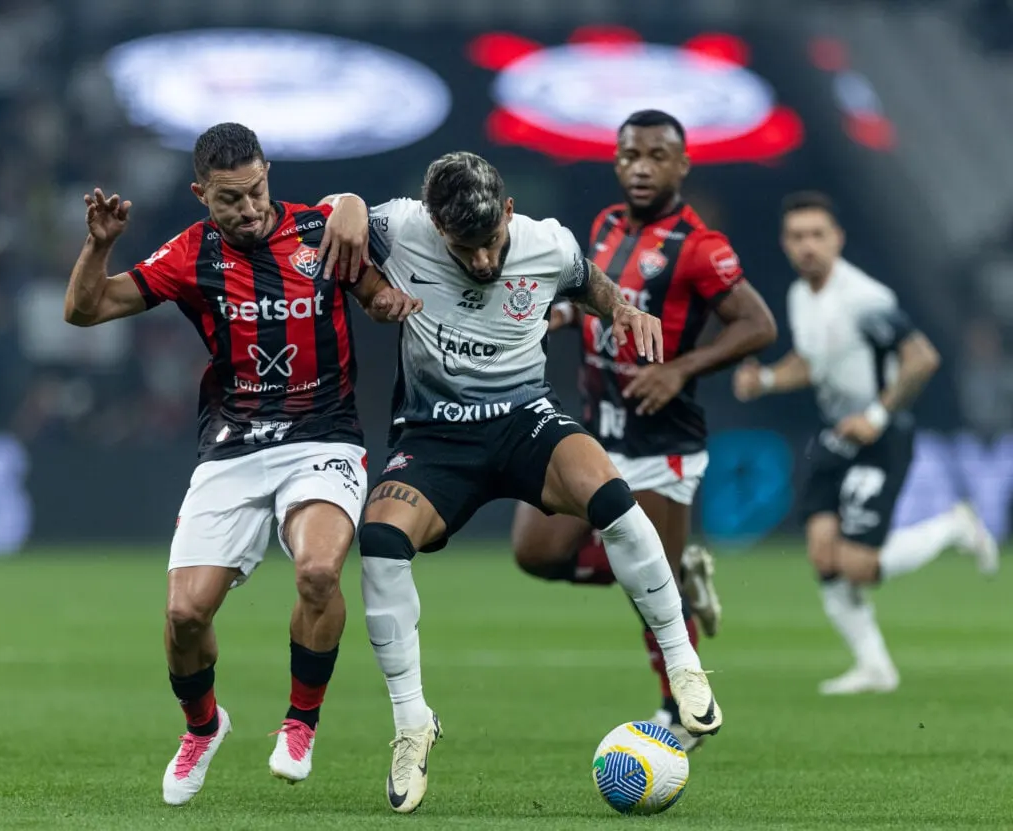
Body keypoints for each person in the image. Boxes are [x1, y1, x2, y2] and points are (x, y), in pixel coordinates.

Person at [62, 122, 421, 805]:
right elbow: (85, 310)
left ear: (268, 175)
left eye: (257, 191)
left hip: (324, 438)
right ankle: (203, 725)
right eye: (230, 199)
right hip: (231, 446)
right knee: (185, 614)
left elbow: (372, 290)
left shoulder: (319, 230)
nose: (250, 209)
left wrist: (386, 301)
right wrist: (98, 246)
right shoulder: (190, 255)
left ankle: (300, 721)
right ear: (202, 195)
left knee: (318, 569)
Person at [355, 150, 723, 815]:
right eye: (466, 249)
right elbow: (322, 221)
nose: (486, 262)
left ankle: (683, 664)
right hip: (435, 436)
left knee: (610, 494)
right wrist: (346, 211)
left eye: (494, 241)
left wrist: (624, 310)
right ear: (434, 226)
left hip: (524, 421)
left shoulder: (546, 242)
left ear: (511, 214)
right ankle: (412, 723)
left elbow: (590, 283)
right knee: (380, 541)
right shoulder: (398, 226)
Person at [509, 110, 777, 749]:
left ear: (681, 166)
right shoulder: (603, 227)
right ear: (616, 160)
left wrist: (681, 368)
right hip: (597, 428)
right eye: (631, 155)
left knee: (647, 590)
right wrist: (567, 314)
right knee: (537, 552)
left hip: (661, 441)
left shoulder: (700, 247)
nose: (641, 168)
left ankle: (678, 709)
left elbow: (758, 325)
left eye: (657, 156)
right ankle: (680, 580)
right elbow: (603, 298)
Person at [733, 190, 999, 695]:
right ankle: (875, 666)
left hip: (881, 436)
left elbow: (922, 358)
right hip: (836, 434)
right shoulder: (799, 295)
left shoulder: (865, 299)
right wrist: (765, 381)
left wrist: (877, 414)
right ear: (785, 243)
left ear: (837, 239)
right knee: (821, 554)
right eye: (797, 236)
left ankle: (952, 527)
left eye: (817, 235)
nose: (807, 246)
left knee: (856, 565)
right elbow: (811, 364)